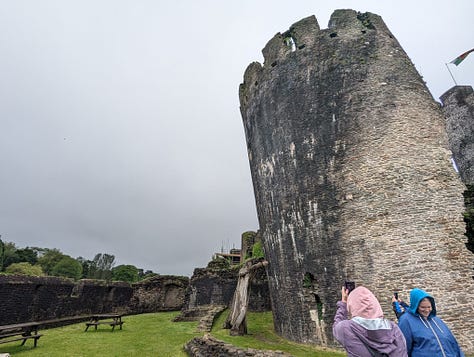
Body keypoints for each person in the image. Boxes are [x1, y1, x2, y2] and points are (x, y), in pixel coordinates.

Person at [333, 285, 407, 356]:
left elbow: (337, 325)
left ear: (352, 306)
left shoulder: (347, 329)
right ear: (375, 303)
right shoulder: (394, 329)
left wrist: (344, 303)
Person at [397, 288, 464, 357]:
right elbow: (403, 349)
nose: (427, 310)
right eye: (423, 307)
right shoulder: (406, 321)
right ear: (416, 306)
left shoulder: (437, 320)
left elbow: (453, 343)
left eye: (429, 307)